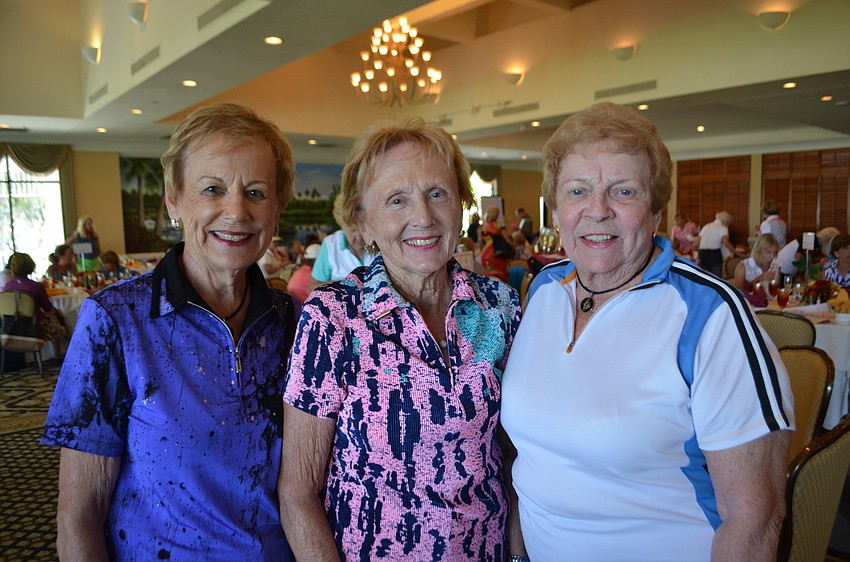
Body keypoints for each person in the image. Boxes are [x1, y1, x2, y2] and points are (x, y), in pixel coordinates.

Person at [501, 102, 793, 562]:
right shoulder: (542, 291)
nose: (597, 211)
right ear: (556, 209)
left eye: (623, 192)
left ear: (657, 210)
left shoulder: (710, 315)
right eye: (577, 191)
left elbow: (754, 519)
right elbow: (531, 460)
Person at [41, 102, 301, 561]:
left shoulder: (296, 322)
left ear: (277, 208)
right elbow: (78, 516)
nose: (236, 211)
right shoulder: (115, 320)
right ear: (174, 200)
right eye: (213, 189)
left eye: (256, 192)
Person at [279, 117, 522, 561]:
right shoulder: (334, 318)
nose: (423, 217)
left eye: (438, 194)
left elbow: (514, 457)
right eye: (397, 200)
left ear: (462, 205)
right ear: (363, 221)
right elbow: (298, 492)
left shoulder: (500, 306)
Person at [3, 252, 68, 356]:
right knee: (59, 321)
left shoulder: (7, 285)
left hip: (12, 327)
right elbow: (48, 308)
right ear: (31, 267)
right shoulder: (36, 286)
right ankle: (58, 355)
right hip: (35, 326)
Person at [308, 195, 374, 292]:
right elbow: (310, 289)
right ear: (342, 226)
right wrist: (335, 285)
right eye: (352, 231)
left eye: (364, 230)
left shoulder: (381, 241)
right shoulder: (330, 245)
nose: (359, 237)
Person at [733, 234, 780, 307]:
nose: (772, 256)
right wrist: (760, 278)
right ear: (759, 251)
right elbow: (736, 293)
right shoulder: (744, 266)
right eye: (768, 252)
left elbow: (776, 291)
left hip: (771, 306)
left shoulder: (775, 266)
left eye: (775, 252)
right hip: (750, 307)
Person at [696, 210, 736, 277]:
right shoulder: (723, 228)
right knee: (715, 277)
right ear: (727, 221)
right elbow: (725, 242)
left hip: (702, 253)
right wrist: (734, 251)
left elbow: (696, 242)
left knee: (705, 277)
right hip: (714, 254)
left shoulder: (706, 226)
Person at [480, 205, 511, 281]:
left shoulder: (484, 227)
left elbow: (480, 242)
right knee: (501, 276)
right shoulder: (499, 226)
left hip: (485, 254)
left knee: (488, 276)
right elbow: (507, 239)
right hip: (498, 253)